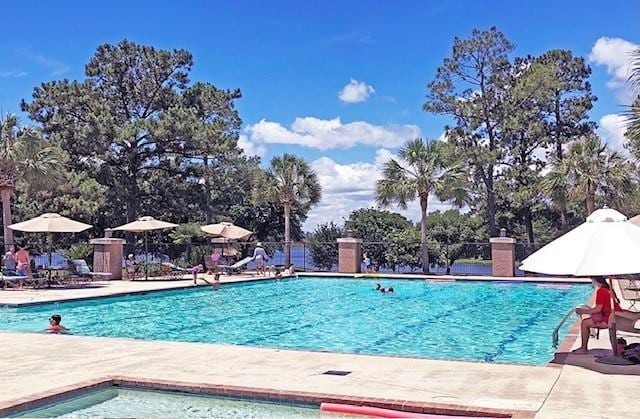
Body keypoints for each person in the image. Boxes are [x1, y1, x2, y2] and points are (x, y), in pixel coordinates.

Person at [572, 277, 623, 354]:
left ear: (595, 280)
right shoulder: (609, 288)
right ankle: (583, 348)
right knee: (587, 321)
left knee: (584, 323)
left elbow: (598, 309)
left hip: (609, 318)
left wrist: (583, 311)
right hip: (614, 315)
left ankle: (583, 348)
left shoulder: (601, 291)